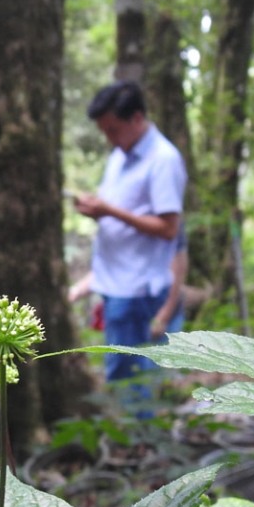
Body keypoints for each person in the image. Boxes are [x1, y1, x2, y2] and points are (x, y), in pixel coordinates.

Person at [72, 81, 187, 387]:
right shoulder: (120, 155)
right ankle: (132, 431)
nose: (110, 138)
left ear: (137, 118)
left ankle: (139, 434)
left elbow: (169, 228)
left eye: (113, 130)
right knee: (120, 373)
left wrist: (108, 211)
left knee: (131, 379)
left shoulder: (163, 159)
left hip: (136, 289)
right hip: (114, 283)